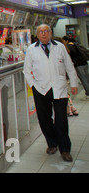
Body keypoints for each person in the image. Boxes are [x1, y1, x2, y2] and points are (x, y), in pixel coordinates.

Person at [24, 24, 79, 162]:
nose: (44, 34)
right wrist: (33, 85)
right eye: (41, 32)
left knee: (61, 119)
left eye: (46, 31)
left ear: (50, 33)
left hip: (59, 87)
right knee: (44, 118)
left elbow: (69, 66)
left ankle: (65, 149)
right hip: (41, 89)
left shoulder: (59, 47)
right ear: (37, 35)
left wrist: (73, 83)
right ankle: (52, 144)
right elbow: (27, 70)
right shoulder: (31, 49)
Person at [62, 36, 89, 101]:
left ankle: (88, 94)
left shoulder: (69, 47)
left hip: (79, 65)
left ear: (66, 41)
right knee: (87, 79)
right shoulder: (76, 44)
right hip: (84, 63)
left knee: (84, 80)